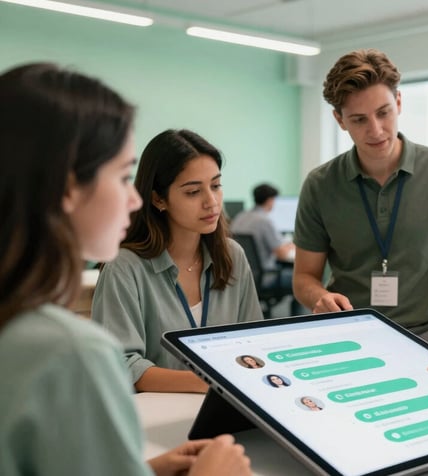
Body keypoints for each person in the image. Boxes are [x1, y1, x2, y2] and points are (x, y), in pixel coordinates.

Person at [0, 62, 250, 476]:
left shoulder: (22, 331)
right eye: (121, 177)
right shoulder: (72, 352)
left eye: (216, 185)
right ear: (67, 188)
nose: (133, 200)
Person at [292, 48, 428, 352]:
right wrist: (320, 297)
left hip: (425, 337)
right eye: (359, 119)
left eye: (383, 113)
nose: (376, 130)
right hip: (344, 334)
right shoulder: (320, 184)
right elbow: (304, 276)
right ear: (339, 120)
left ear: (399, 102)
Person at [92, 129, 263, 394]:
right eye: (193, 192)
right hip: (159, 410)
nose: (211, 202)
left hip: (223, 406)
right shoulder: (125, 267)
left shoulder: (232, 255)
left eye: (216, 186)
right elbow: (121, 364)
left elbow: (254, 342)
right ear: (158, 199)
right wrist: (209, 383)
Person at [230, 183, 302, 315]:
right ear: (270, 200)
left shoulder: (240, 217)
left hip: (244, 276)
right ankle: (298, 320)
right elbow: (281, 253)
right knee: (301, 279)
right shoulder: (264, 221)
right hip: (266, 277)